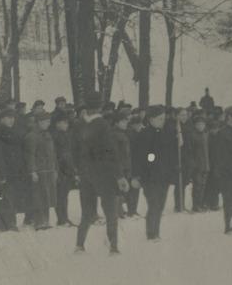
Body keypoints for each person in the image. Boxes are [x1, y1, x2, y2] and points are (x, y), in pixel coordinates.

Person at [75, 92, 128, 254]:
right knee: (111, 212)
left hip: (86, 174)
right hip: (105, 173)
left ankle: (79, 245)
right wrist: (119, 175)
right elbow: (111, 152)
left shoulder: (79, 125)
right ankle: (113, 246)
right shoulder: (103, 125)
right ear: (100, 106)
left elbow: (75, 150)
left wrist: (79, 170)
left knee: (87, 212)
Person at [131, 105, 177, 241]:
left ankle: (156, 231)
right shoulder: (144, 135)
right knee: (154, 204)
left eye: (163, 118)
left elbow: (169, 154)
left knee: (160, 205)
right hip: (149, 177)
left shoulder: (166, 134)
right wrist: (150, 161)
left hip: (163, 176)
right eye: (159, 119)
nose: (162, 121)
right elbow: (141, 157)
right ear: (151, 119)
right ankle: (151, 233)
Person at [23, 111, 58, 230]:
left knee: (47, 196)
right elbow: (30, 155)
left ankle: (45, 221)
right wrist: (32, 171)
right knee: (38, 196)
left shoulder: (47, 134)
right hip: (39, 171)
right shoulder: (31, 136)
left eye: (49, 121)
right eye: (46, 121)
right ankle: (38, 221)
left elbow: (53, 154)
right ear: (39, 122)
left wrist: (55, 168)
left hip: (48, 170)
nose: (48, 124)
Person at [185, 115, 210, 212]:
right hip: (196, 165)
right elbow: (189, 151)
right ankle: (196, 205)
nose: (200, 126)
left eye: (202, 124)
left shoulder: (206, 134)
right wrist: (193, 164)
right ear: (195, 125)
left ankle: (201, 203)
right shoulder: (192, 135)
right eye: (198, 124)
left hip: (206, 164)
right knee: (197, 186)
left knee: (203, 185)